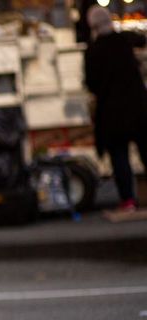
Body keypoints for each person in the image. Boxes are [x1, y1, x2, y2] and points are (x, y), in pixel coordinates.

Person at [84, 6, 147, 213]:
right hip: (138, 108)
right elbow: (140, 41)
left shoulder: (93, 51)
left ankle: (128, 200)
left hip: (112, 112)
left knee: (120, 158)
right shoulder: (124, 41)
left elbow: (91, 83)